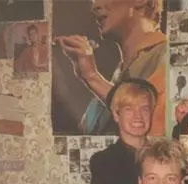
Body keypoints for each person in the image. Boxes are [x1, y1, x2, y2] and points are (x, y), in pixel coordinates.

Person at [55, 0, 167, 136]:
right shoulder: (116, 77)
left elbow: (158, 130)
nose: (94, 6)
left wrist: (92, 77)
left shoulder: (169, 57)